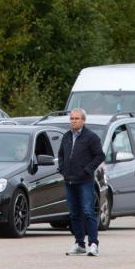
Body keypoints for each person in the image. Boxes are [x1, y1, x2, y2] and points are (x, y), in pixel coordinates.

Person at [57, 108, 104, 257]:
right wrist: (62, 168)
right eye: (71, 119)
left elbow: (99, 156)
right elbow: (61, 154)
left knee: (88, 211)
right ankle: (79, 243)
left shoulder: (91, 137)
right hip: (69, 180)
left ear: (83, 120)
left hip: (84, 181)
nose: (73, 121)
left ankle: (93, 244)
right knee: (74, 213)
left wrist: (87, 170)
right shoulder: (66, 137)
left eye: (76, 119)